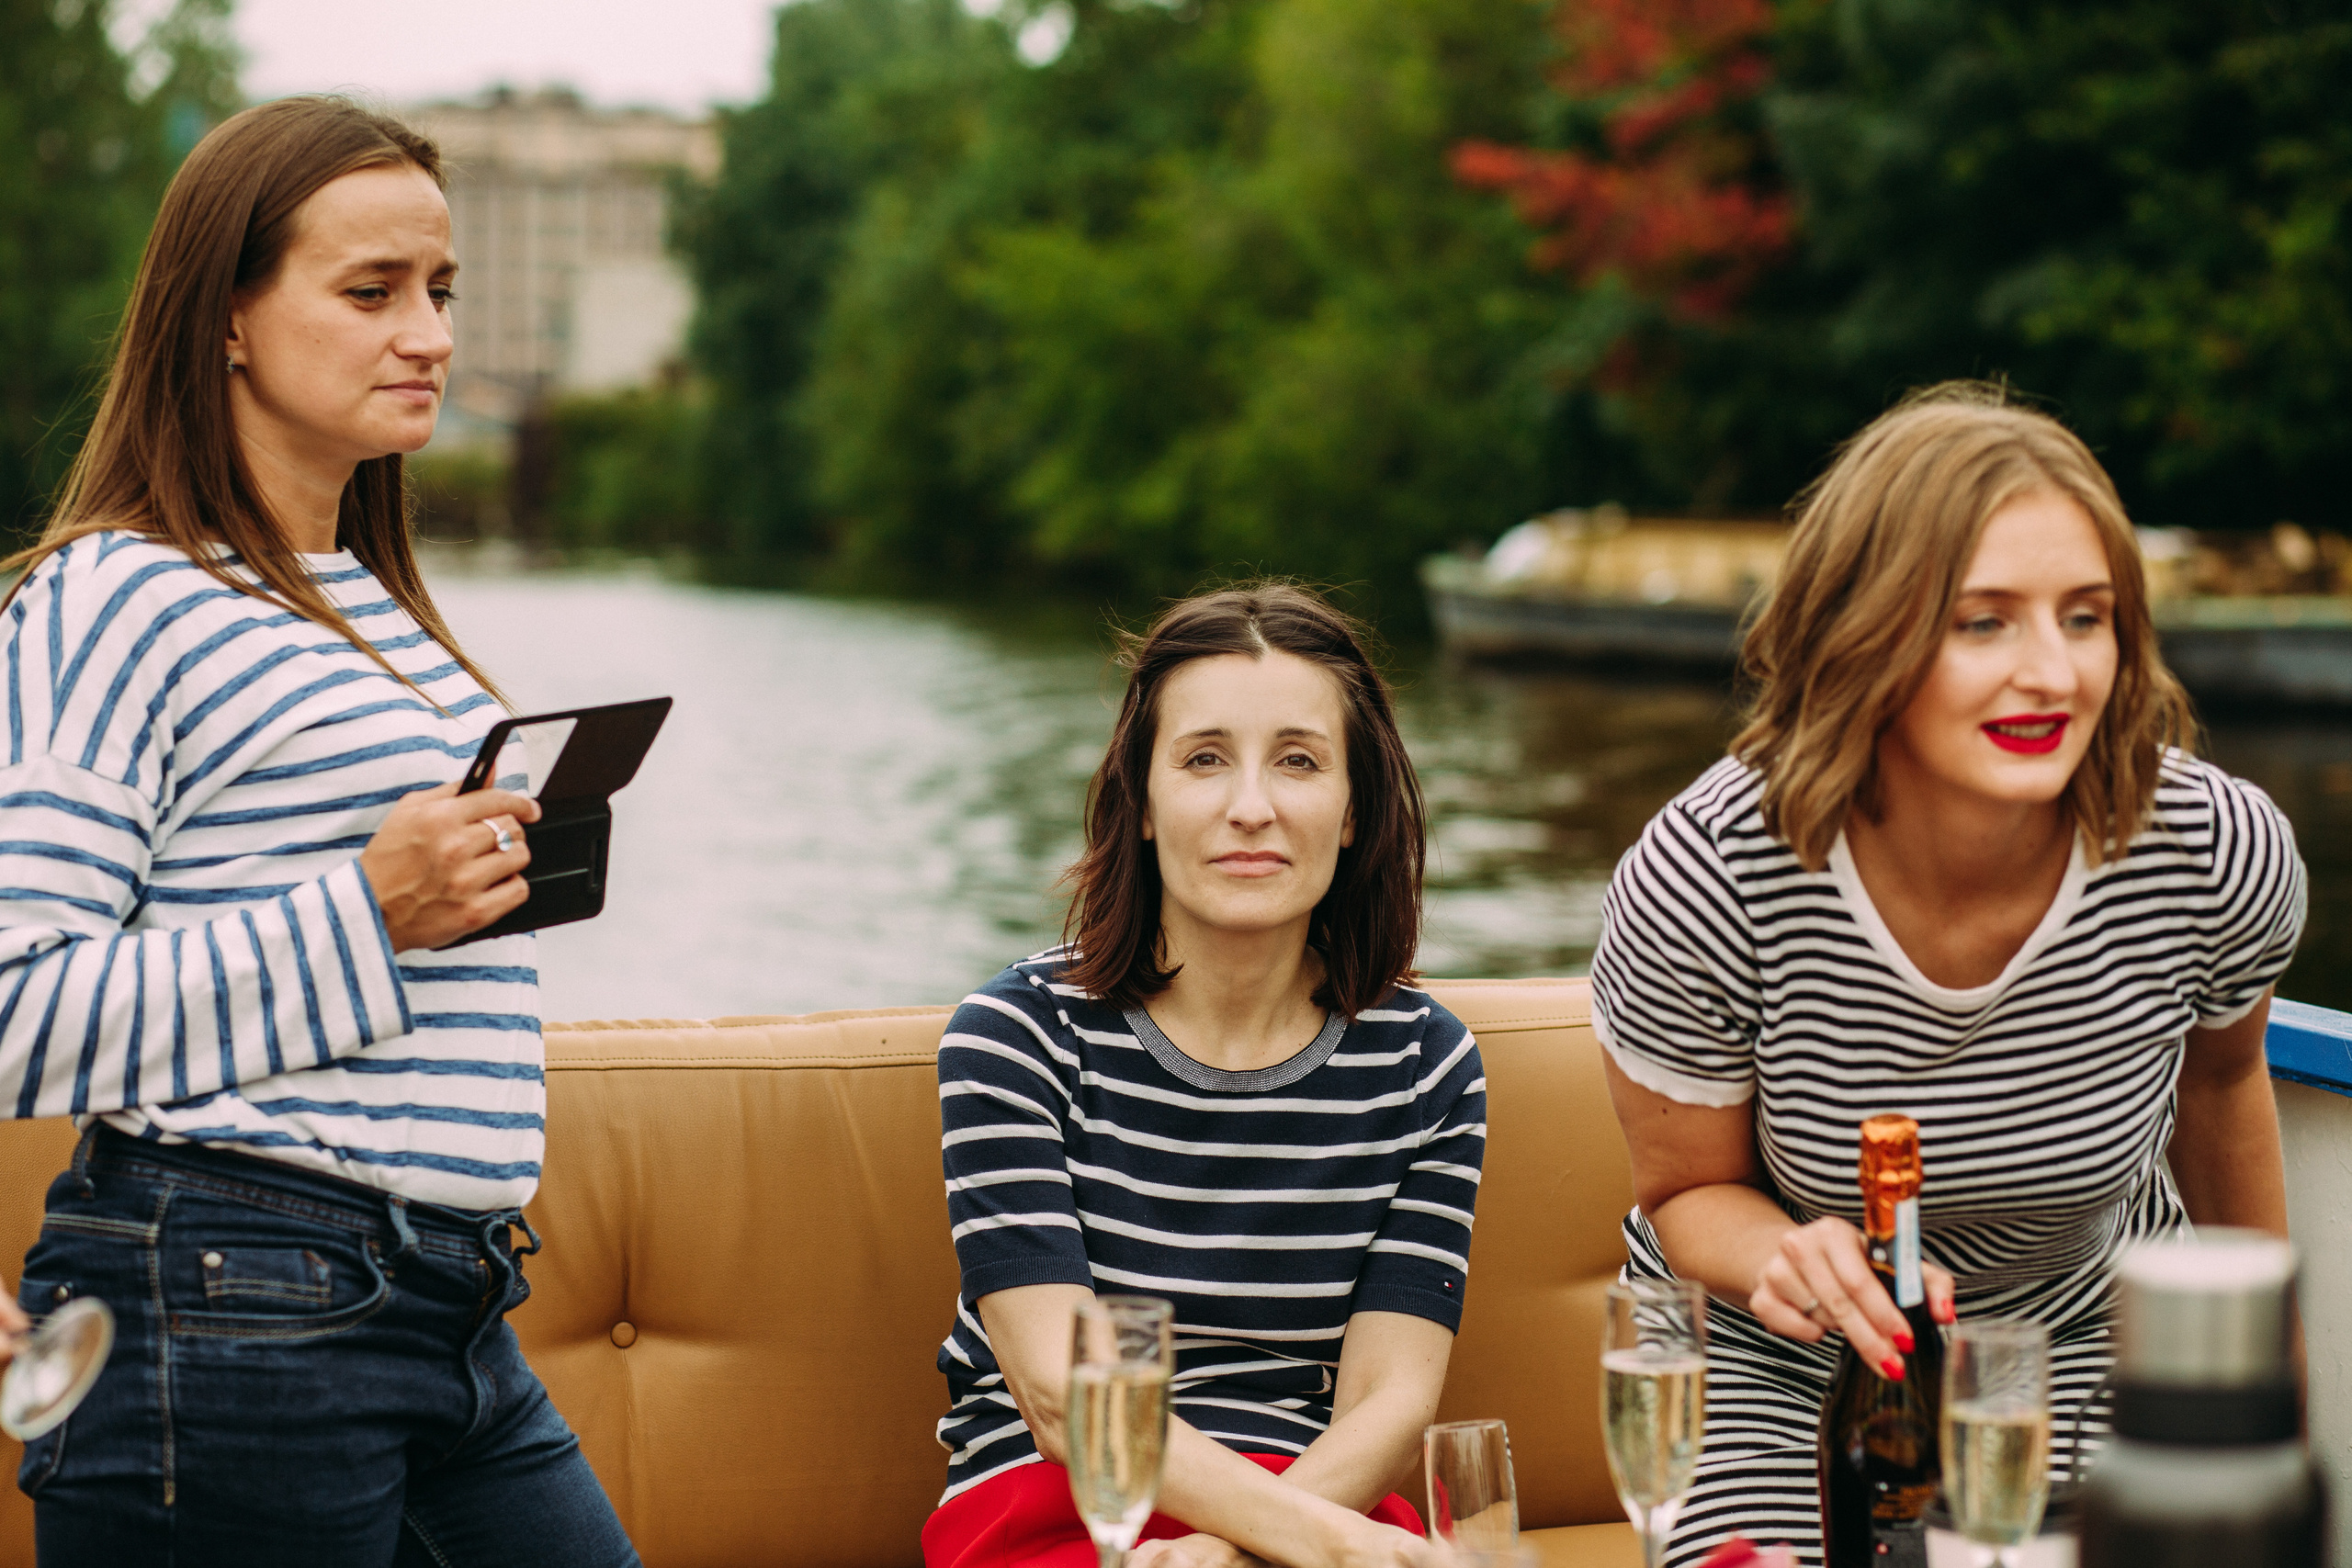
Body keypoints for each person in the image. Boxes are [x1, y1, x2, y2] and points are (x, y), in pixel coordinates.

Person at [0, 97, 639, 1566]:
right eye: (371, 293)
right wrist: (369, 910)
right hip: (238, 1305)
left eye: (441, 290)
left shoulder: (371, 606)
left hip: (450, 1308)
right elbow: (18, 1007)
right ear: (225, 316)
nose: (427, 333)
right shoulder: (115, 595)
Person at [1591, 384, 2307, 1566]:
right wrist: (1783, 1258)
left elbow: (2224, 1098)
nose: (2052, 673)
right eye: (1983, 623)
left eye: (2085, 618)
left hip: (2078, 1342)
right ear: (1866, 630)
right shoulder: (1709, 873)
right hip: (1787, 1375)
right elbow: (1682, 1196)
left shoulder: (2210, 851)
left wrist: (2261, 1411)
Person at [922, 585, 1484, 1568]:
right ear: (1140, 803)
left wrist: (1230, 1551)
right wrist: (1314, 1547)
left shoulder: (1425, 1064)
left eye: (1300, 761)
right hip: (1062, 1504)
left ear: (1355, 813)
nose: (1251, 807)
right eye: (1204, 759)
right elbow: (1064, 1399)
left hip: (1311, 1499)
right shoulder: (1015, 1037)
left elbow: (1390, 1401)